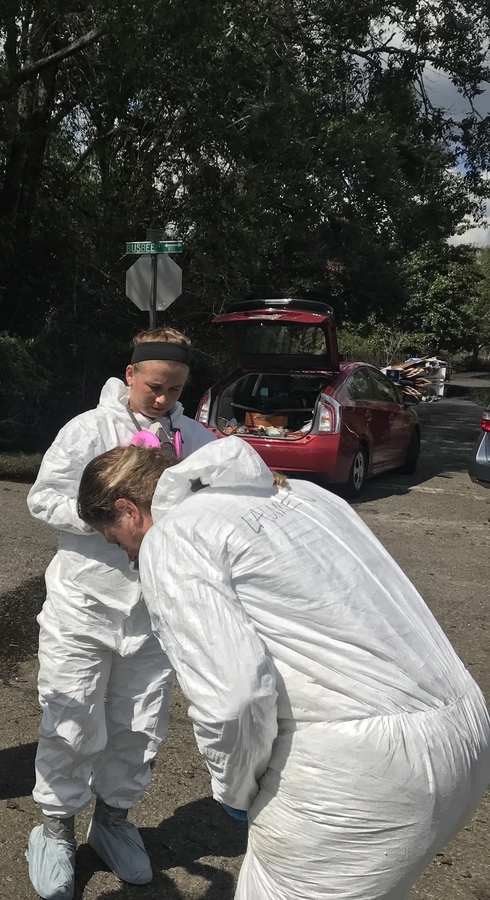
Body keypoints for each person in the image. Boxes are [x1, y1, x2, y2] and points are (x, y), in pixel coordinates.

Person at [76, 437, 490, 900]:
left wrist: (234, 791)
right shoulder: (301, 494)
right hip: (466, 732)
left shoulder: (175, 537)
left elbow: (233, 699)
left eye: (118, 541)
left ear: (129, 509)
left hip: (364, 772)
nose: (129, 556)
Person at [25, 327, 215, 898]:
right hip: (84, 606)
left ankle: (112, 822)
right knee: (72, 716)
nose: (163, 400)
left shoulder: (193, 436)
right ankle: (56, 829)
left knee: (140, 724)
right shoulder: (88, 430)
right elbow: (41, 498)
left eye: (175, 391)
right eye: (155, 387)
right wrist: (108, 518)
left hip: (154, 611)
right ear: (130, 375)